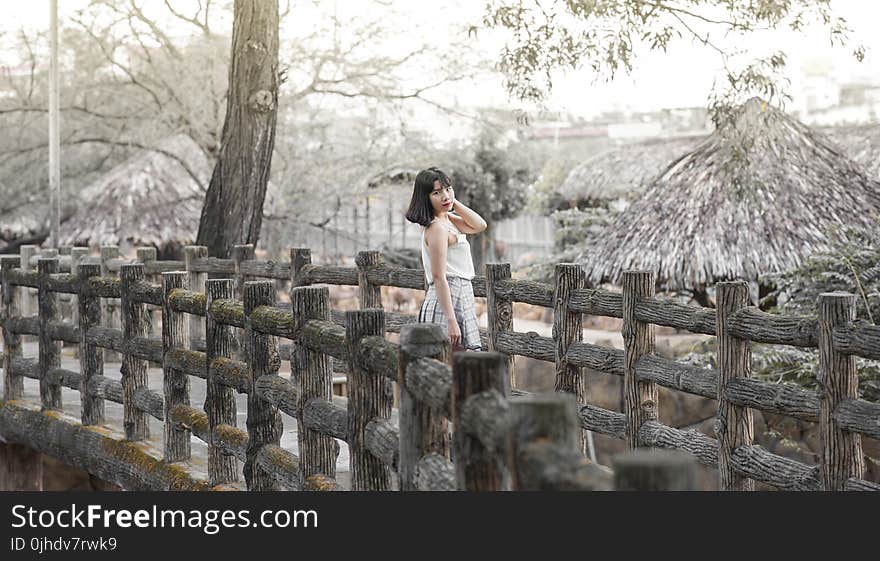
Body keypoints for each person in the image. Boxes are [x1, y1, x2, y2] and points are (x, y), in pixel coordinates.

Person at [405, 167, 487, 351]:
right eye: (436, 192)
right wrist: (451, 320)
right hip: (447, 300)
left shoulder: (447, 219)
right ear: (425, 197)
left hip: (460, 295)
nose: (444, 196)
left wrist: (452, 201)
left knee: (458, 368)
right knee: (447, 368)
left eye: (448, 189)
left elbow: (480, 225)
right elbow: (439, 276)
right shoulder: (437, 228)